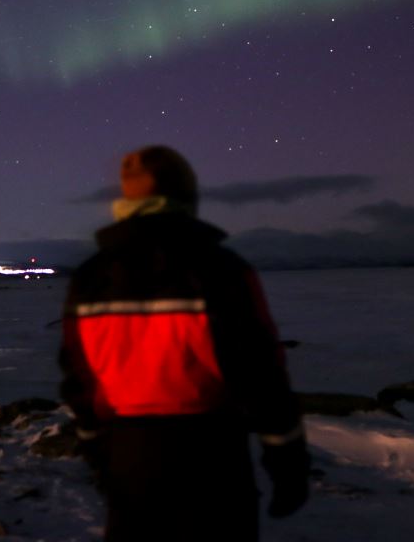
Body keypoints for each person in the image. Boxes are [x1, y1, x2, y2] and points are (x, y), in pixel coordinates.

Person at [59, 145, 308, 542]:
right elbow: (259, 370)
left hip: (130, 454)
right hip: (211, 455)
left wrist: (96, 449)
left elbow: (79, 374)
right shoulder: (221, 270)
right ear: (185, 197)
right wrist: (287, 455)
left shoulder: (90, 277)